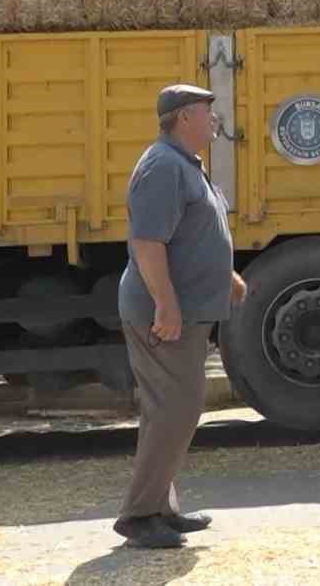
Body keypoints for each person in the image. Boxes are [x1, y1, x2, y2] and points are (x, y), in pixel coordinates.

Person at [114, 84, 247, 549]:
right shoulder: (163, 166)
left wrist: (226, 275)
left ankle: (161, 507)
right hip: (165, 315)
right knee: (175, 410)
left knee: (171, 411)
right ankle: (139, 515)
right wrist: (166, 304)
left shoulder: (185, 164)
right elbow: (148, 243)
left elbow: (194, 234)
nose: (214, 121)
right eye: (208, 113)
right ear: (185, 117)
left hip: (185, 311)